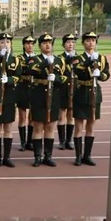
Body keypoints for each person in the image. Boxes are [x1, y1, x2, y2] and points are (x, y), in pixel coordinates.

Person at [72, 31, 111, 166]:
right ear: (83, 43)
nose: (91, 43)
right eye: (88, 40)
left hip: (94, 93)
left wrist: (100, 75)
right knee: (78, 126)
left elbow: (106, 74)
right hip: (81, 92)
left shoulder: (102, 58)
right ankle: (78, 156)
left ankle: (87, 155)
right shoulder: (78, 58)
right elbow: (77, 70)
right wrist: (90, 62)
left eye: (93, 40)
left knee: (91, 125)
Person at [28, 33, 66, 167]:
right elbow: (30, 70)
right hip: (38, 95)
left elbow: (65, 77)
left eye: (49, 43)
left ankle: (48, 156)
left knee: (50, 127)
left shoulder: (59, 60)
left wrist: (56, 78)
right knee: (38, 127)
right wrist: (46, 62)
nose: (48, 45)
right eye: (44, 43)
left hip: (54, 95)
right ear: (40, 46)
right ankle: (37, 156)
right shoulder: (34, 59)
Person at [0, 33, 21, 168]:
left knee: (8, 127)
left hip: (9, 95)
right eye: (2, 42)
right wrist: (1, 58)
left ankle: (7, 157)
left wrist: (10, 80)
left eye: (7, 42)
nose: (5, 44)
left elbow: (18, 75)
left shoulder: (15, 60)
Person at [57, 33, 78, 150]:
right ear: (64, 44)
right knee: (62, 115)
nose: (71, 44)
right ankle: (62, 141)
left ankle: (69, 140)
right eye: (68, 42)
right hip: (63, 89)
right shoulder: (60, 58)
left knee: (71, 116)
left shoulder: (78, 57)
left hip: (74, 89)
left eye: (73, 42)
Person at [16, 35, 36, 152]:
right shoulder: (20, 58)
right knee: (22, 116)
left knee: (32, 117)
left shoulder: (37, 58)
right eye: (27, 43)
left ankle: (30, 141)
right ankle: (23, 142)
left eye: (31, 43)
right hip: (22, 88)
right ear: (24, 45)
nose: (30, 46)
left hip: (34, 89)